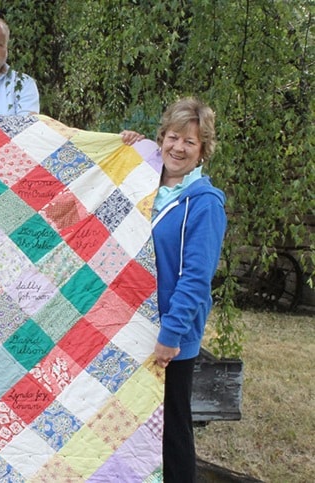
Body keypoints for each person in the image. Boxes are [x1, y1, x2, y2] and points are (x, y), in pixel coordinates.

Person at [151, 97, 227, 482]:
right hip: (134, 325)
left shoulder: (205, 204)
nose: (178, 148)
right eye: (173, 137)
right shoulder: (144, 182)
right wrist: (125, 145)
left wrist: (170, 335)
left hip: (171, 335)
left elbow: (197, 277)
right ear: (162, 137)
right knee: (134, 430)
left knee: (171, 430)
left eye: (190, 142)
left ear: (202, 152)